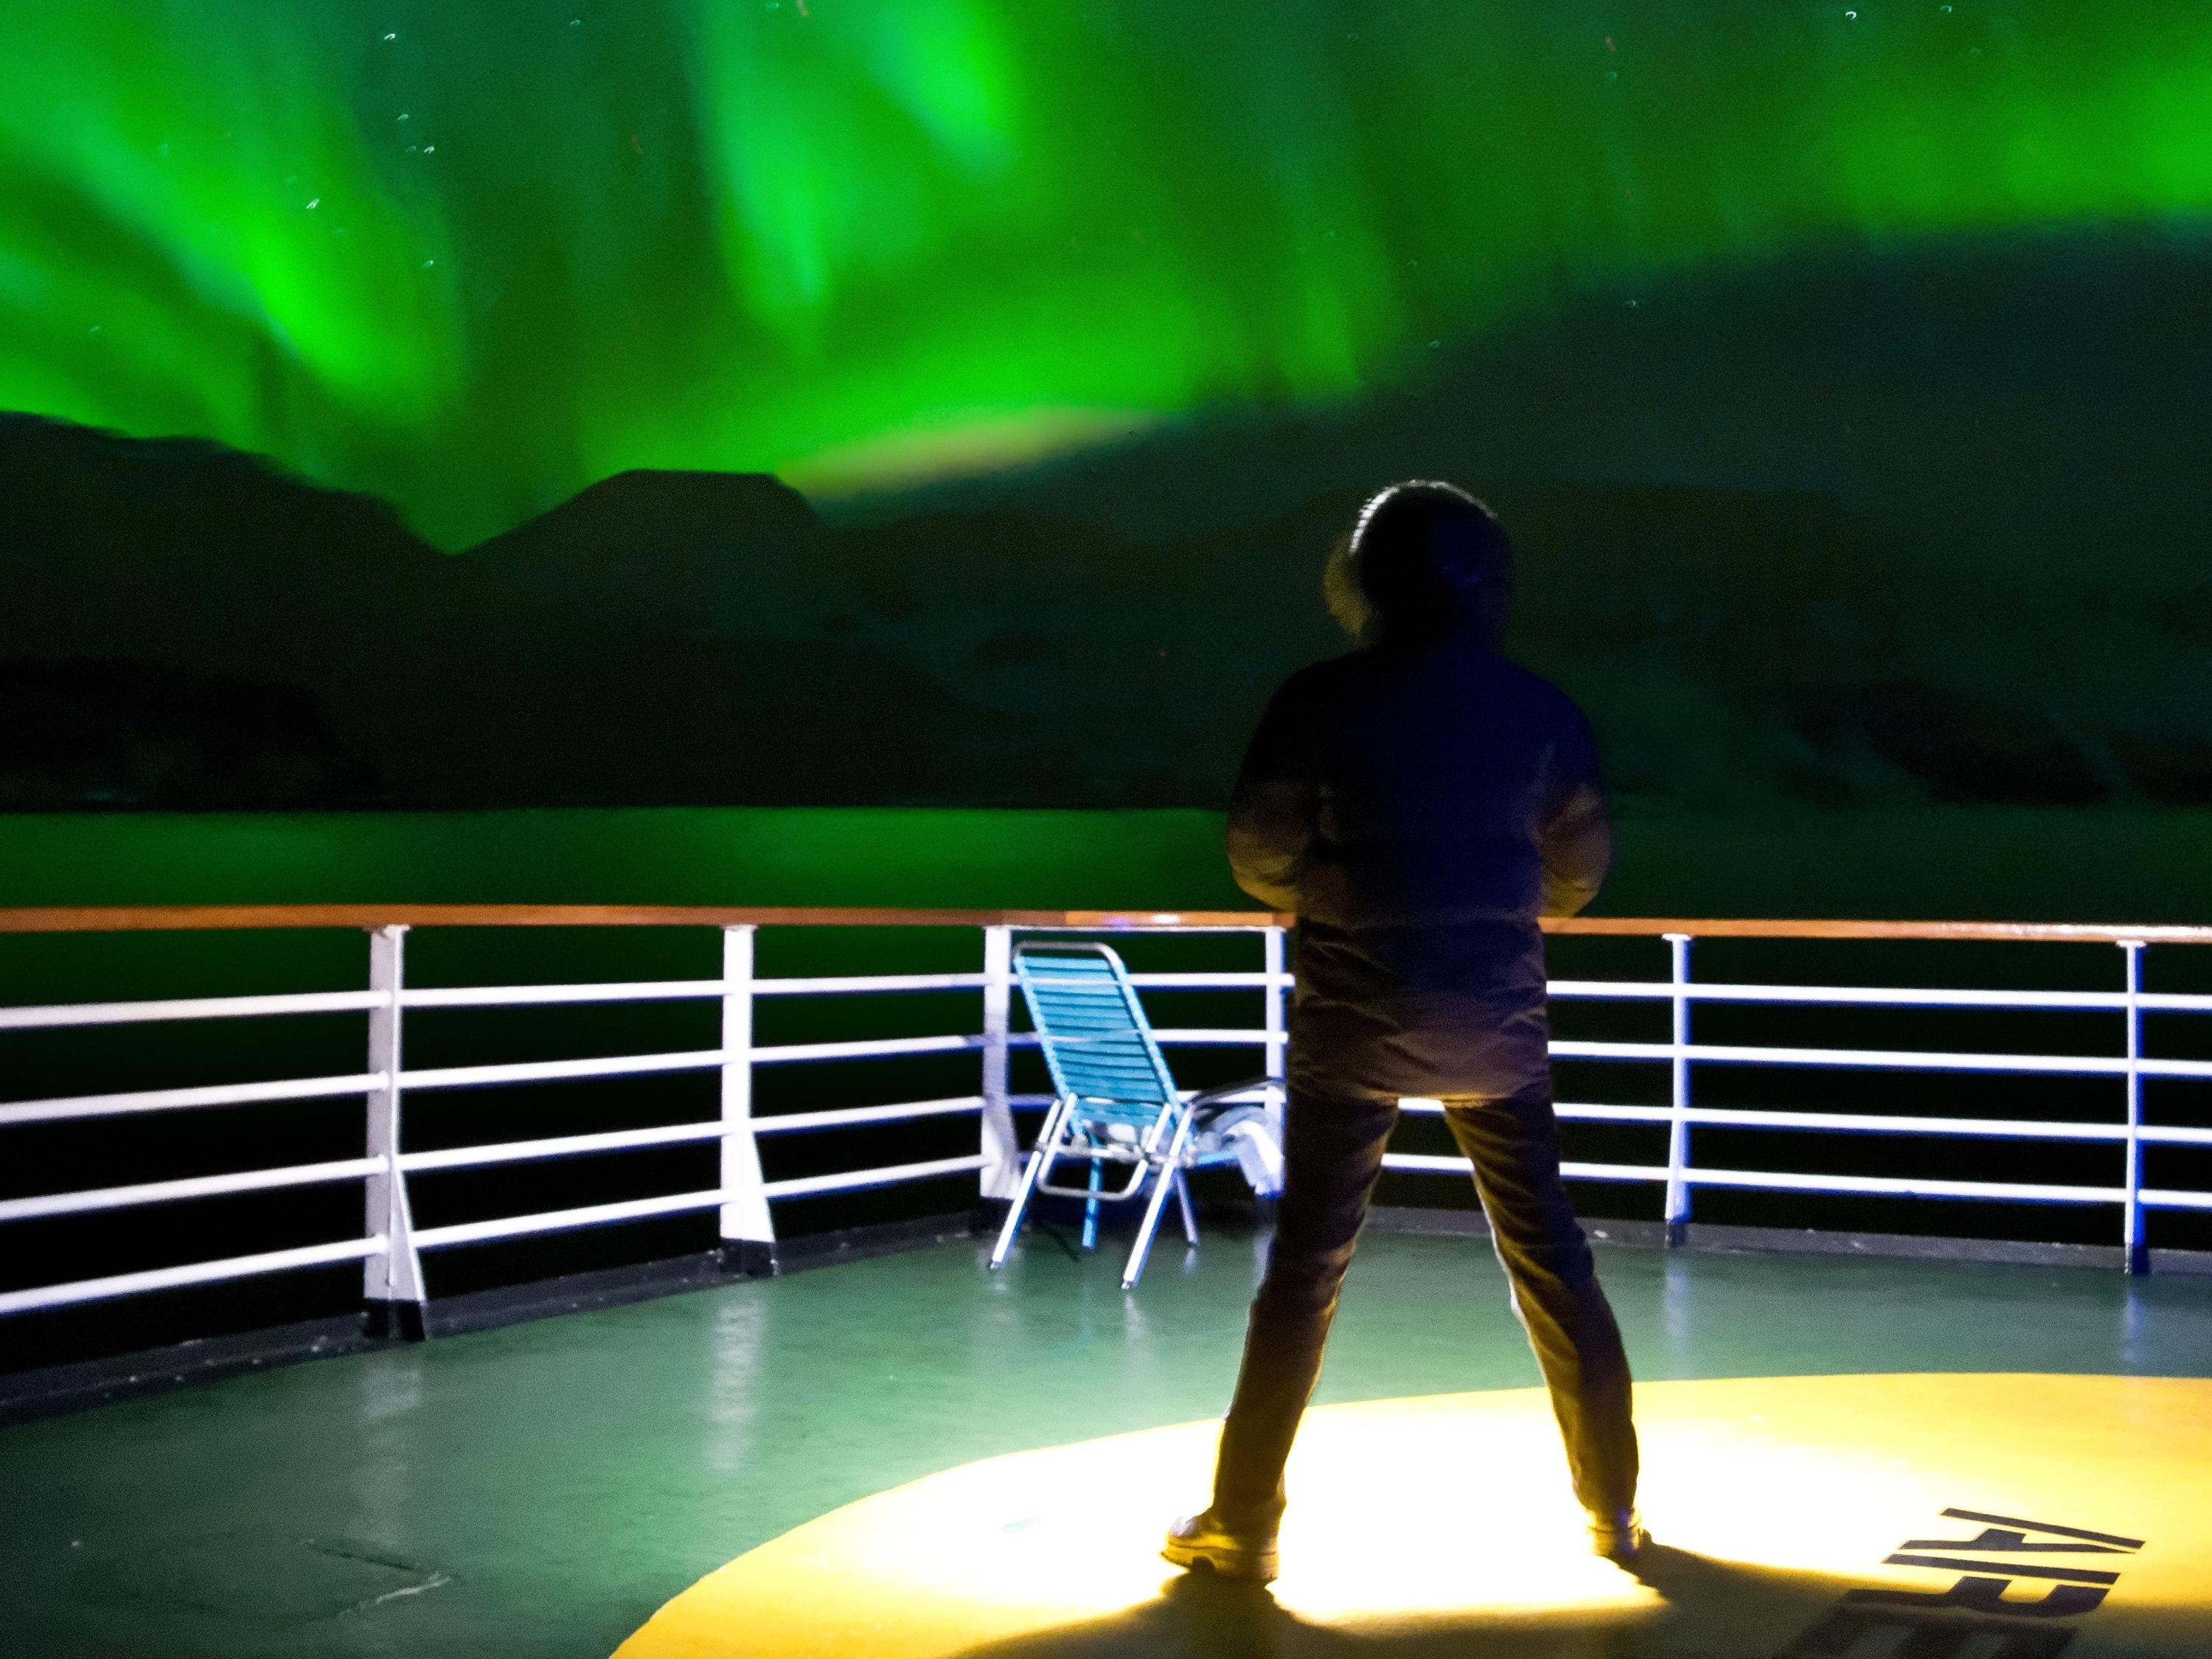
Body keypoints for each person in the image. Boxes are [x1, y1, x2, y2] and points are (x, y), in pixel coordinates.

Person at [1162, 480, 1644, 1584]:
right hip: (1496, 1023)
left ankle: (1245, 1519)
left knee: (1305, 1271)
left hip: (1354, 1021)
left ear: (1365, 581)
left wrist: (1334, 883)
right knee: (1553, 1262)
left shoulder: (1319, 699)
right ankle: (1612, 1508)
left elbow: (1256, 854)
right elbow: (1579, 871)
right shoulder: (1541, 710)